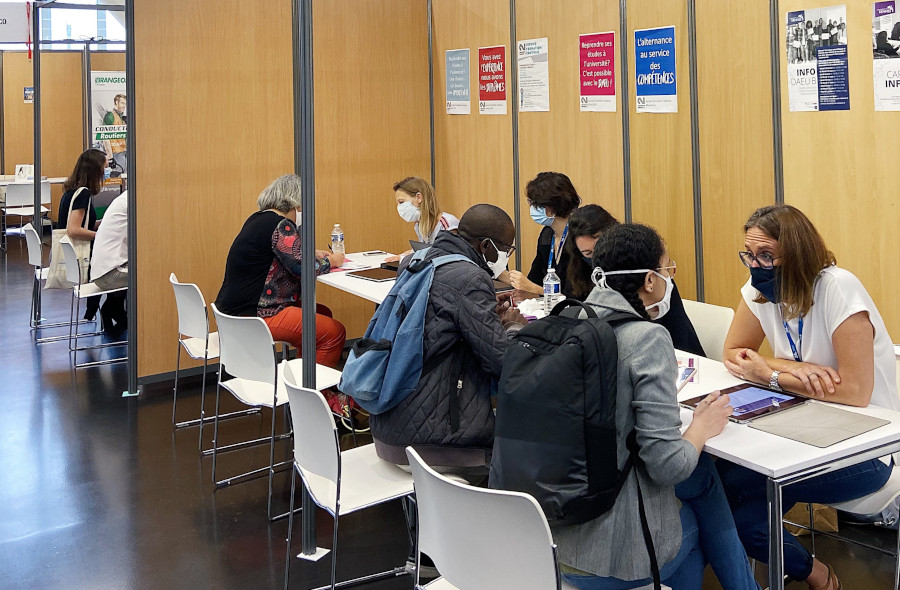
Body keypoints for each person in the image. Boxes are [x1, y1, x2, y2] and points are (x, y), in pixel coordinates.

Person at [552, 223, 759, 590]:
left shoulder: (570, 321)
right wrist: (701, 426)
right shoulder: (646, 339)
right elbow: (668, 466)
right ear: (650, 280)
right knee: (700, 493)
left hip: (553, 535)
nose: (669, 279)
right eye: (668, 270)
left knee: (700, 485)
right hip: (614, 556)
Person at [718, 205, 900, 590]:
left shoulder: (838, 288)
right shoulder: (760, 289)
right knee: (739, 506)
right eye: (749, 254)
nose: (755, 265)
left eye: (766, 256)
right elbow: (734, 351)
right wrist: (781, 365)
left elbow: (854, 391)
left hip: (868, 448)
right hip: (802, 430)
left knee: (731, 488)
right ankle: (817, 575)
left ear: (798, 255)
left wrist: (771, 374)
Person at [370, 204, 526, 474]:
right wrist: (513, 328)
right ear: (486, 246)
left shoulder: (417, 260)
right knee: (525, 443)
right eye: (506, 249)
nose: (505, 256)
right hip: (432, 441)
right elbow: (502, 362)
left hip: (388, 425)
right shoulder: (471, 278)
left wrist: (485, 312)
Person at [214, 174, 346, 367]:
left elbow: (280, 253)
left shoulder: (258, 219)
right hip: (257, 314)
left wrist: (308, 252)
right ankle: (313, 394)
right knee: (334, 333)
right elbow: (302, 268)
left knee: (323, 313)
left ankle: (302, 377)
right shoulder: (281, 225)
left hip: (233, 310)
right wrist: (332, 261)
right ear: (296, 203)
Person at [565, 205, 705, 356]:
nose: (597, 258)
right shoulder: (588, 287)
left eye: (600, 248)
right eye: (588, 253)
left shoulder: (659, 284)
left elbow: (682, 339)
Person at [508, 171, 582, 296]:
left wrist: (536, 289)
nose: (531, 208)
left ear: (550, 207)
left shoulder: (580, 238)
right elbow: (534, 279)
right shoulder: (547, 235)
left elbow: (579, 297)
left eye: (533, 203)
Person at [57, 148, 107, 320]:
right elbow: (73, 229)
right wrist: (100, 236)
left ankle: (93, 310)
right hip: (82, 259)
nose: (105, 173)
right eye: (104, 169)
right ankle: (107, 312)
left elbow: (84, 224)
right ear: (95, 170)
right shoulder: (83, 194)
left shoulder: (71, 190)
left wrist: (105, 224)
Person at [384, 176, 459, 263]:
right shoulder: (418, 223)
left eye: (401, 202)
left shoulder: (447, 223)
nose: (399, 207)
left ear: (419, 198)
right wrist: (403, 256)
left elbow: (449, 256)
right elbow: (425, 249)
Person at [90, 192, 128, 336]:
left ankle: (114, 311)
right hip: (110, 275)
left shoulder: (123, 199)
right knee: (152, 276)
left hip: (101, 271)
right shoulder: (133, 201)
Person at [102, 94, 127, 173]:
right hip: (115, 154)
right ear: (116, 102)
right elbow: (105, 137)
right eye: (122, 103)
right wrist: (110, 158)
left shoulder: (121, 117)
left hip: (123, 153)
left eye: (125, 104)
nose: (124, 106)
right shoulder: (110, 116)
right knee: (116, 179)